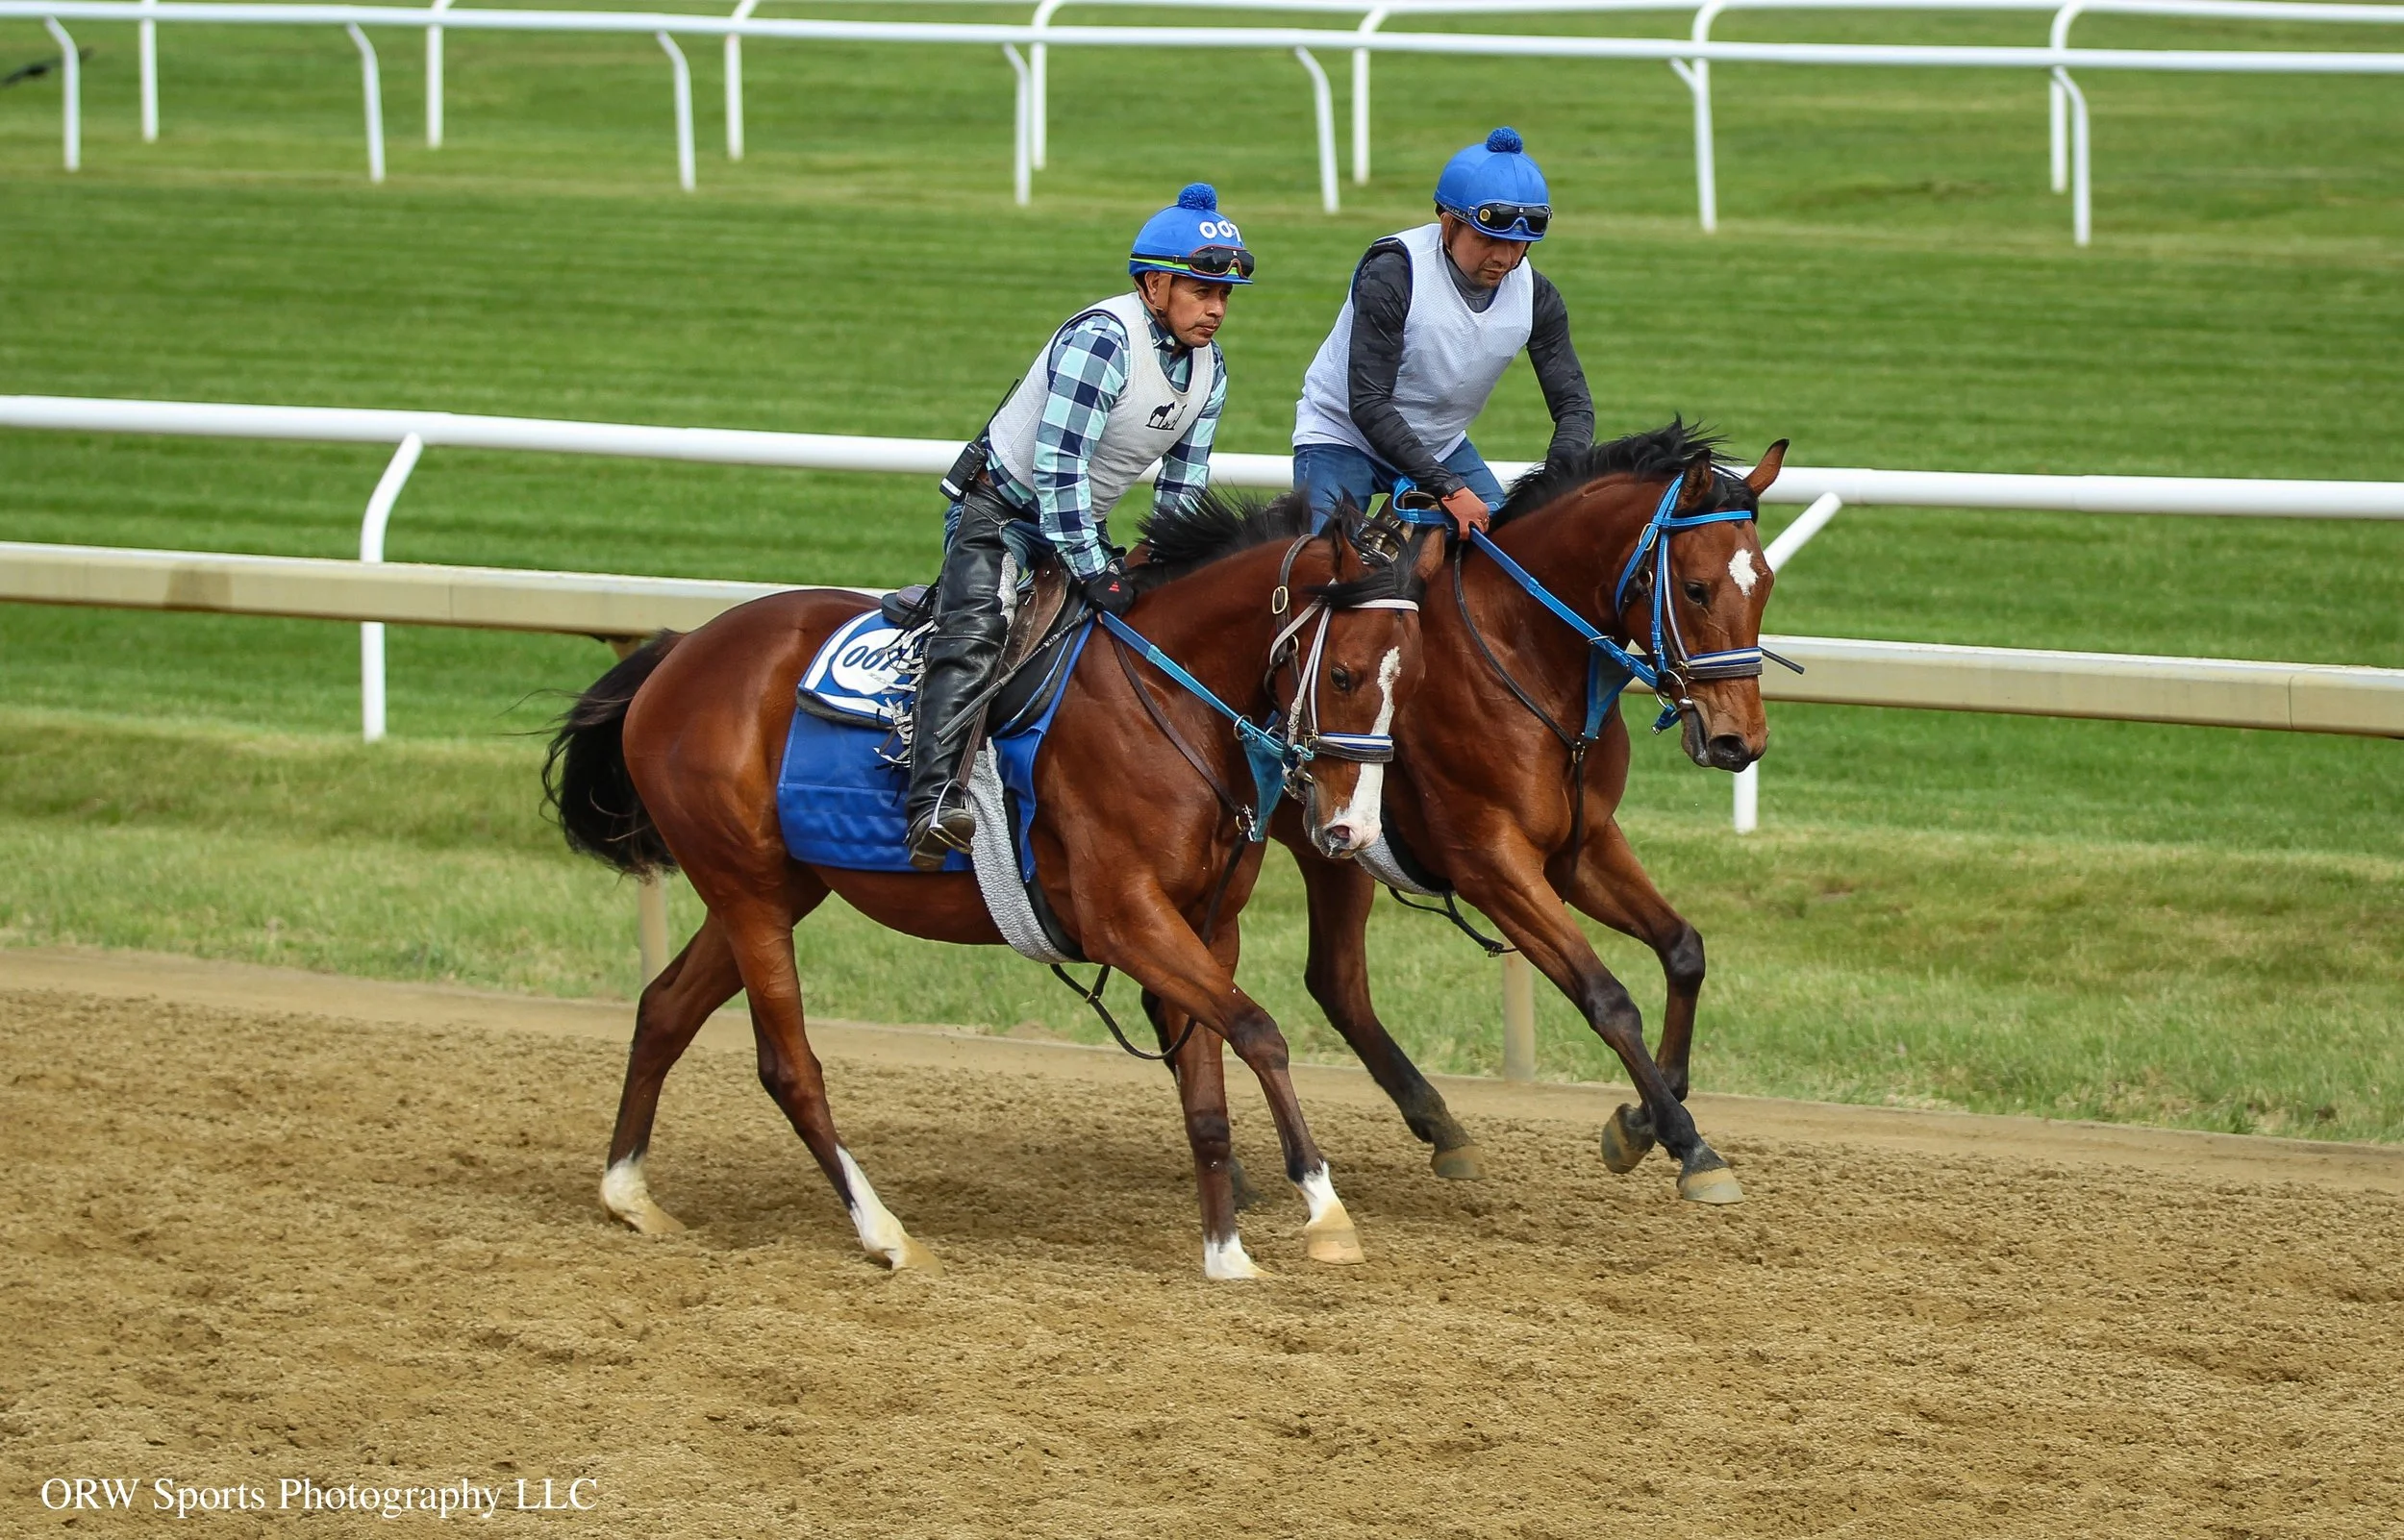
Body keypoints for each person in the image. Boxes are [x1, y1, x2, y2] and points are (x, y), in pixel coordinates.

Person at [903, 183, 1252, 870]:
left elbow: (1184, 487)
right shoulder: (1102, 340)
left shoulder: (1210, 371)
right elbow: (1058, 467)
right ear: (1154, 284)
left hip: (1072, 530)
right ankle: (932, 800)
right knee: (979, 629)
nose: (1216, 310)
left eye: (1224, 296)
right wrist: (1094, 568)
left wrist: (1171, 570)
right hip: (1000, 515)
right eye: (1200, 291)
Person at [1291, 127, 1594, 537]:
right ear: (1448, 223)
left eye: (1519, 244)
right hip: (1343, 435)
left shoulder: (1538, 298)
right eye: (1488, 239)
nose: (1504, 258)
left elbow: (1574, 406)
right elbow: (1367, 403)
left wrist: (1555, 484)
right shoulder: (1392, 273)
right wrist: (1449, 488)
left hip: (1442, 445)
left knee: (1513, 553)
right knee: (1325, 568)